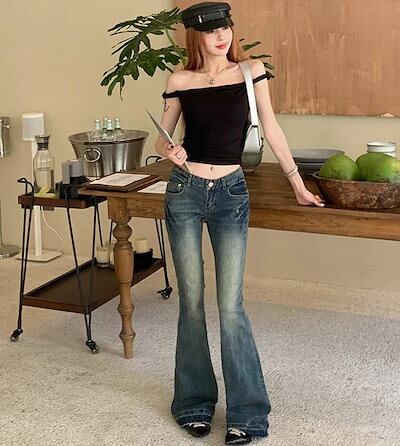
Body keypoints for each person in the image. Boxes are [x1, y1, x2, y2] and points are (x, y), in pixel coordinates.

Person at [155, 2, 325, 444]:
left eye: (226, 28)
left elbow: (272, 128)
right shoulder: (180, 81)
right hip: (185, 192)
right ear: (195, 36)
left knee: (231, 306)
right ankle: (193, 403)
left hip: (230, 193)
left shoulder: (250, 72)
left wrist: (297, 184)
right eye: (212, 31)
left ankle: (247, 414)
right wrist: (169, 150)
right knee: (191, 301)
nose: (222, 36)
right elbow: (162, 137)